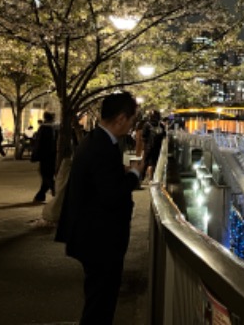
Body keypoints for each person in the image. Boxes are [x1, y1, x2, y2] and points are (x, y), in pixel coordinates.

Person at [55, 92, 141, 325]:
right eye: (132, 119)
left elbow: (102, 184)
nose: (132, 125)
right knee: (101, 302)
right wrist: (134, 174)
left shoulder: (95, 140)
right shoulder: (102, 147)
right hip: (100, 239)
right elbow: (112, 194)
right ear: (121, 118)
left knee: (98, 299)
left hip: (91, 236)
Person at [33, 112, 57, 202]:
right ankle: (40, 196)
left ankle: (55, 189)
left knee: (45, 174)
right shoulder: (56, 127)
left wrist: (36, 155)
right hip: (54, 155)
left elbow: (39, 143)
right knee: (47, 175)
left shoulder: (44, 128)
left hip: (45, 156)